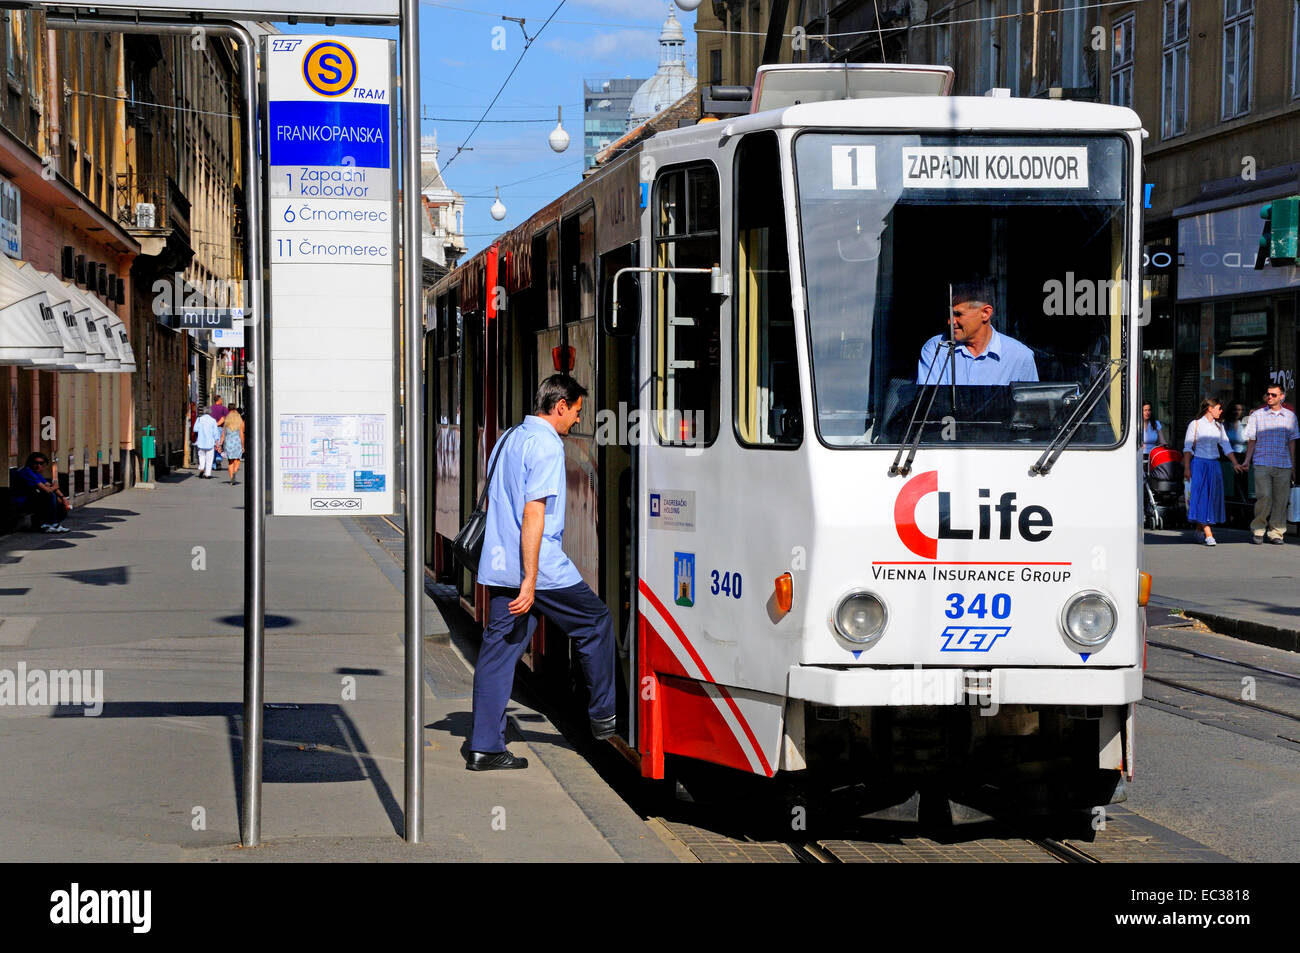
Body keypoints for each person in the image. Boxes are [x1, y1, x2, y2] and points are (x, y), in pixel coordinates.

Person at [468, 374, 616, 771]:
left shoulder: (509, 438)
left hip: (499, 563)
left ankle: (484, 746)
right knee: (596, 623)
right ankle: (604, 717)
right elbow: (534, 512)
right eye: (576, 413)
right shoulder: (548, 445)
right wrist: (531, 578)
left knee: (498, 653)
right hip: (540, 568)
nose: (576, 423)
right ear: (560, 405)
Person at [916, 283, 1038, 385]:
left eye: (958, 314)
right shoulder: (936, 348)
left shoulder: (1020, 356)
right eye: (949, 315)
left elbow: (1029, 410)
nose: (950, 322)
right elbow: (929, 406)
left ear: (985, 313)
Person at [1183, 397, 1246, 546]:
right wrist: (1187, 468)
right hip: (1199, 464)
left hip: (1214, 465)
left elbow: (1226, 446)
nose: (1221, 411)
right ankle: (1208, 534)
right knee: (1202, 498)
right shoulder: (1195, 424)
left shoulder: (1219, 426)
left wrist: (1235, 463)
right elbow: (1187, 448)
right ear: (1210, 409)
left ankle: (1200, 529)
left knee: (1211, 498)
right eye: (1219, 408)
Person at [1243, 384, 1299, 544]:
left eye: (1274, 395)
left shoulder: (1290, 416)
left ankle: (1276, 532)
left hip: (1283, 463)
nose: (1270, 397)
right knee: (1264, 497)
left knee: (1281, 500)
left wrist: (1293, 465)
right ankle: (1259, 529)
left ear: (1282, 396)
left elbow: (1292, 443)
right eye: (1268, 394)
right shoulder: (1257, 415)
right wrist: (1247, 460)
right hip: (1262, 462)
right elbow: (1251, 440)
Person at [10, 453, 71, 533]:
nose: (38, 466)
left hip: (29, 500)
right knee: (50, 496)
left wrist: (63, 498)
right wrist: (54, 488)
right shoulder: (27, 472)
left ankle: (54, 524)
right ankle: (50, 524)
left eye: (41, 463)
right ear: (30, 463)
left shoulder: (36, 473)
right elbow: (47, 490)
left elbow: (48, 485)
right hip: (20, 502)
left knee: (58, 500)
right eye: (36, 463)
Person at [219, 406, 245, 486]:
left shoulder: (227, 423)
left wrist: (220, 444)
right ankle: (234, 472)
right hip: (237, 443)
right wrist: (243, 445)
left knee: (230, 462)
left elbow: (223, 435)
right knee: (237, 460)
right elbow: (241, 434)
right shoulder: (240, 423)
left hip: (229, 443)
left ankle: (231, 478)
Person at [192, 406, 220, 479]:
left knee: (201, 456)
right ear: (210, 412)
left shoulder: (199, 419)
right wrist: (217, 442)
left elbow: (195, 429)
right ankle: (207, 474)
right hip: (210, 443)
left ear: (203, 412)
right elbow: (216, 433)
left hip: (201, 442)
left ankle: (201, 467)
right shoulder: (213, 420)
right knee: (209, 459)